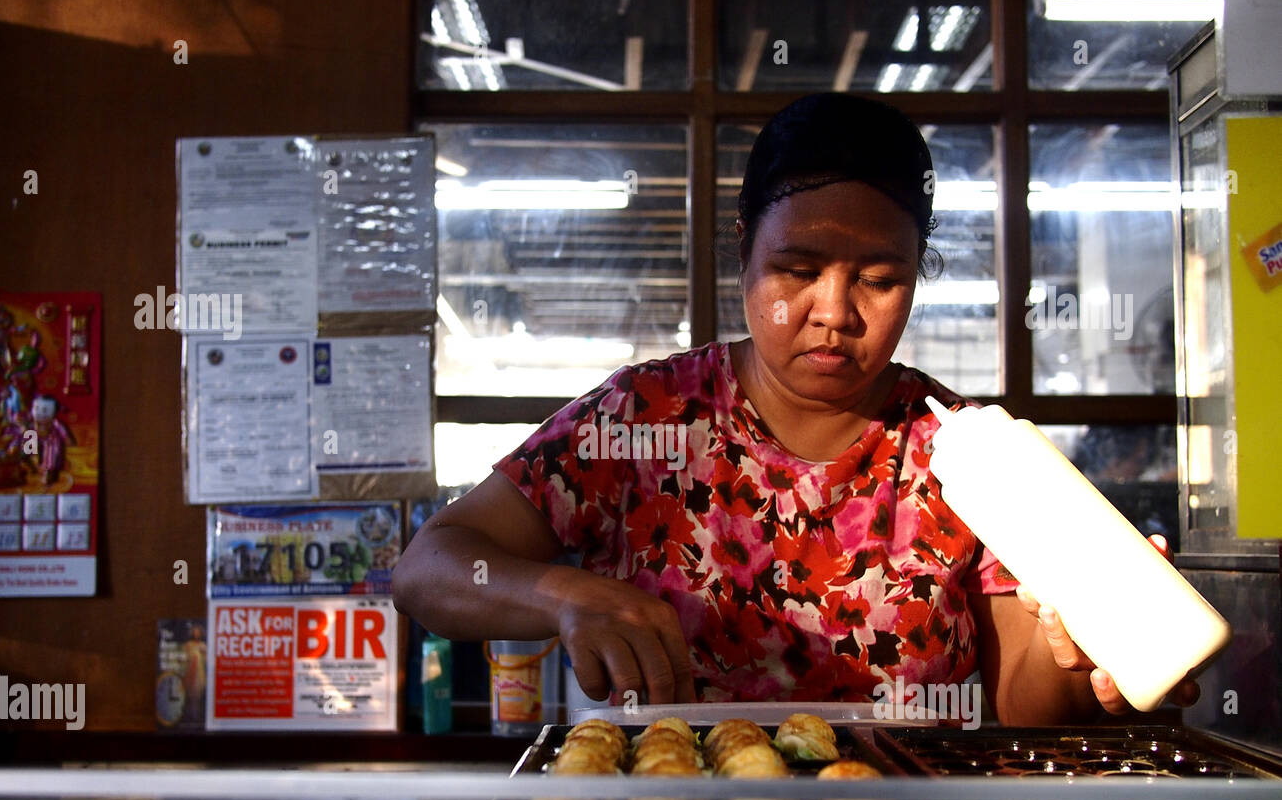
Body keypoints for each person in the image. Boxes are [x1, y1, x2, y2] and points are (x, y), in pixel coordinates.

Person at [393, 93, 1198, 725]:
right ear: (744, 250)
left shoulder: (969, 457)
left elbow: (1022, 704)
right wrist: (560, 595)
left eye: (880, 279)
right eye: (797, 268)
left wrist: (1088, 663)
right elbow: (427, 567)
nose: (835, 311)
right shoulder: (648, 419)